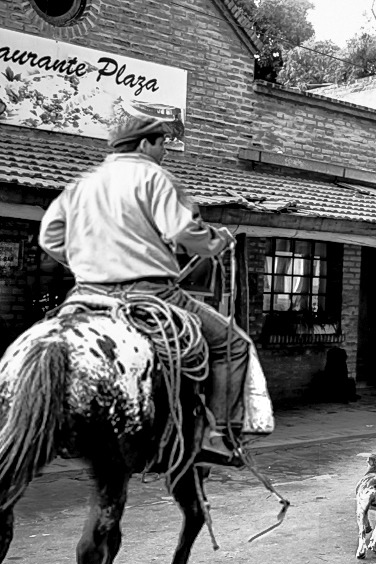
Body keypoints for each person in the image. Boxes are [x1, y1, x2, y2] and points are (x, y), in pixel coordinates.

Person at [39, 118, 249, 466]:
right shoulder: (155, 178)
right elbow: (183, 230)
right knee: (233, 343)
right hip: (151, 294)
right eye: (162, 143)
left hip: (87, 294)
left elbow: (50, 238)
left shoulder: (81, 185)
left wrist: (88, 264)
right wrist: (216, 241)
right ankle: (217, 437)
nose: (165, 150)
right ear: (143, 145)